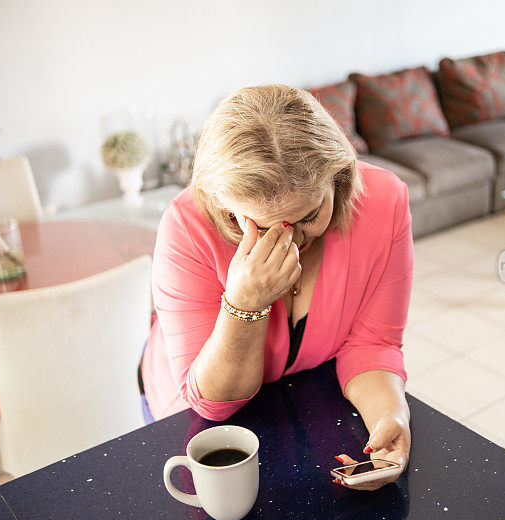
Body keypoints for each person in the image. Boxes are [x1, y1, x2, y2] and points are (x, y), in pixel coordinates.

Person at [141, 84, 413, 491]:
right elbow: (214, 403)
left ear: (337, 177)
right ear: (223, 204)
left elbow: (373, 344)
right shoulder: (187, 226)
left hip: (307, 390)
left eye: (309, 216)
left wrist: (389, 418)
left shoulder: (384, 201)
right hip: (197, 405)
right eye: (263, 227)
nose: (292, 242)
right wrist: (244, 303)